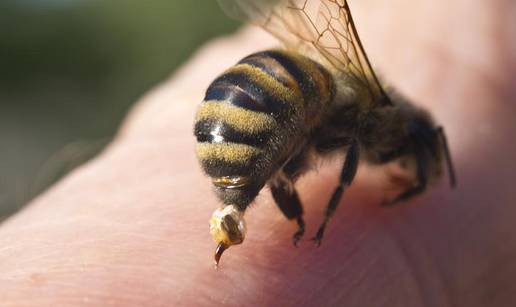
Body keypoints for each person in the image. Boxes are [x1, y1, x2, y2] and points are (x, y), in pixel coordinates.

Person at [1, 1, 515, 305]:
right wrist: (329, 213)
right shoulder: (371, 117)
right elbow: (343, 147)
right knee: (307, 138)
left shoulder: (332, 99)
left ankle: (238, 200)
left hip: (242, 100)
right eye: (418, 154)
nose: (413, 162)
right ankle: (255, 204)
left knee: (285, 143)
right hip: (267, 100)